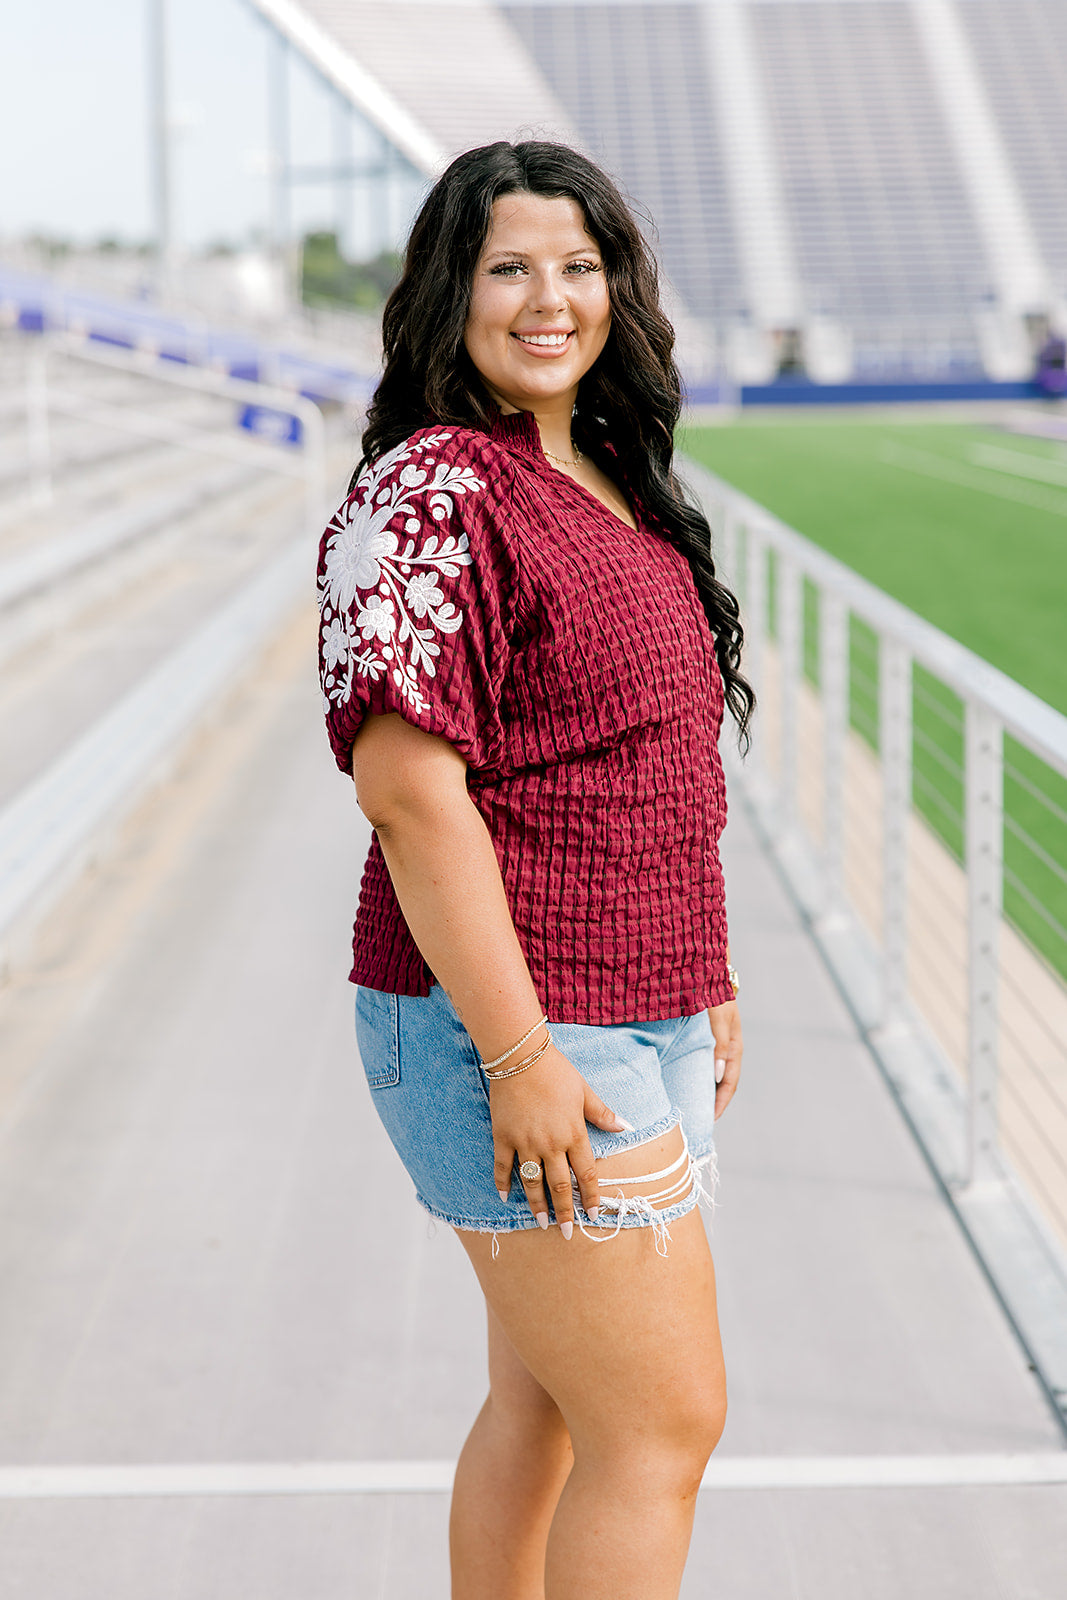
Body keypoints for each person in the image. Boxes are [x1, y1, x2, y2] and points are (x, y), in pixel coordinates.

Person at [317, 140, 752, 1600]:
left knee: (553, 1407)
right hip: (523, 1021)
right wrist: (516, 1057)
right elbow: (409, 790)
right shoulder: (436, 489)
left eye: (579, 267)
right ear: (452, 291)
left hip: (638, 1005)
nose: (549, 298)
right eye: (510, 267)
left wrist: (711, 974)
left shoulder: (605, 468)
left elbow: (648, 755)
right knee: (664, 1420)